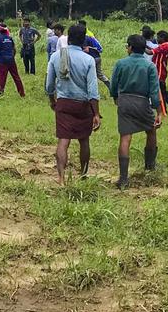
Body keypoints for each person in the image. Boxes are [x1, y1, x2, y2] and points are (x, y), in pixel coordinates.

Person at [45, 23, 101, 185]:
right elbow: (92, 90)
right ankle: (83, 175)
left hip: (63, 103)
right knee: (84, 140)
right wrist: (96, 113)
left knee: (63, 141)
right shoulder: (88, 60)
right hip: (83, 105)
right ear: (84, 40)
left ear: (68, 38)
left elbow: (49, 85)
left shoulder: (57, 56)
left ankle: (61, 179)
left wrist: (52, 101)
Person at [109, 34, 162, 189]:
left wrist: (115, 98)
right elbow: (154, 91)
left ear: (130, 48)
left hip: (125, 101)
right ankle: (150, 167)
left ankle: (123, 178)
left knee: (125, 137)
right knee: (151, 131)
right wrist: (158, 112)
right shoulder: (149, 66)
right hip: (142, 101)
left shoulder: (120, 63)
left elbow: (113, 84)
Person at [0, 25, 25, 98]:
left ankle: (0, 94)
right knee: (16, 77)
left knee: (2, 78)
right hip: (11, 60)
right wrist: (11, 57)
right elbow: (15, 50)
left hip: (3, 61)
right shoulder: (10, 38)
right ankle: (22, 94)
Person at [77, 19, 110, 86]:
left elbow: (86, 50)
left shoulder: (83, 37)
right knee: (100, 74)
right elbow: (99, 47)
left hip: (92, 58)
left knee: (86, 74)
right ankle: (110, 86)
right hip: (97, 57)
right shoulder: (90, 34)